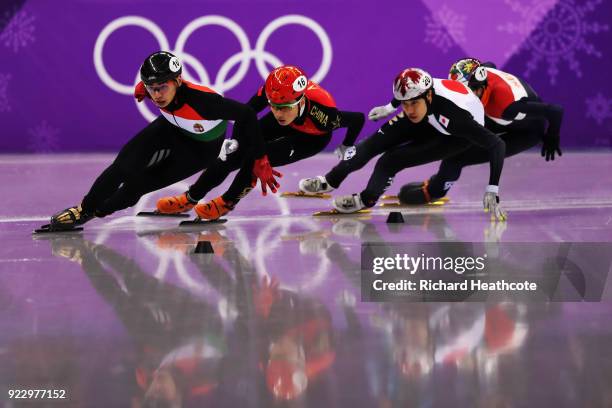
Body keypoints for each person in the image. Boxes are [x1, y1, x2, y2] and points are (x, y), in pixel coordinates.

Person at [45, 51, 278, 230]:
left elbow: (247, 114)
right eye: (151, 88)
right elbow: (153, 85)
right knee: (122, 167)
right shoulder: (156, 88)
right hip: (170, 128)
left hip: (200, 150)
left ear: (177, 81)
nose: (156, 95)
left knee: (137, 186)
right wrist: (144, 87)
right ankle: (83, 209)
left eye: (162, 88)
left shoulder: (203, 102)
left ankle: (98, 212)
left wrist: (260, 156)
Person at [157, 65, 365, 220]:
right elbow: (245, 114)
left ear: (301, 101)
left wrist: (347, 145)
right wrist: (235, 141)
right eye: (273, 106)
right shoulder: (273, 90)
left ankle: (228, 201)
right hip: (290, 124)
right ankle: (190, 198)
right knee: (231, 155)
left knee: (257, 158)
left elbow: (358, 119)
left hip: (312, 138)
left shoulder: (324, 115)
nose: (278, 112)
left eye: (284, 107)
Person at [299, 68, 508, 220]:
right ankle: (330, 180)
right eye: (405, 104)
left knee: (390, 160)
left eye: (413, 103)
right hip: (429, 115)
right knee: (371, 144)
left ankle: (366, 199)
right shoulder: (418, 94)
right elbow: (407, 94)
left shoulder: (457, 117)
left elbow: (497, 145)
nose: (408, 110)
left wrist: (492, 189)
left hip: (453, 136)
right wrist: (390, 108)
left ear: (428, 95)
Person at [368, 58, 563, 206]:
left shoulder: (507, 106)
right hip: (499, 119)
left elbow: (554, 111)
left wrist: (550, 137)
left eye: (470, 92)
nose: (466, 97)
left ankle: (434, 191)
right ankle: (436, 183)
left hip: (525, 132)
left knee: (458, 156)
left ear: (482, 86)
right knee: (457, 139)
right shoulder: (482, 72)